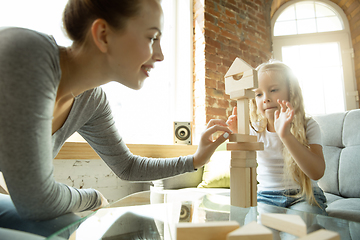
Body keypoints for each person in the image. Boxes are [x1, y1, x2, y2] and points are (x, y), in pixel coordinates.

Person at [0, 0, 232, 237]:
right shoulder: (28, 53)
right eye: (152, 38)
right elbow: (37, 199)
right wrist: (92, 198)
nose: (161, 55)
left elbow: (127, 166)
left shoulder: (91, 100)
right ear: (103, 35)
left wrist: (196, 159)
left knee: (66, 226)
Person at [226, 60, 327, 215]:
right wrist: (237, 134)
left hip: (304, 196)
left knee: (301, 230)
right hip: (266, 197)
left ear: (291, 92)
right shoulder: (255, 129)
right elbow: (243, 162)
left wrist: (285, 135)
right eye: (259, 94)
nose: (265, 98)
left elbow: (317, 172)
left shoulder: (309, 126)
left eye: (273, 90)